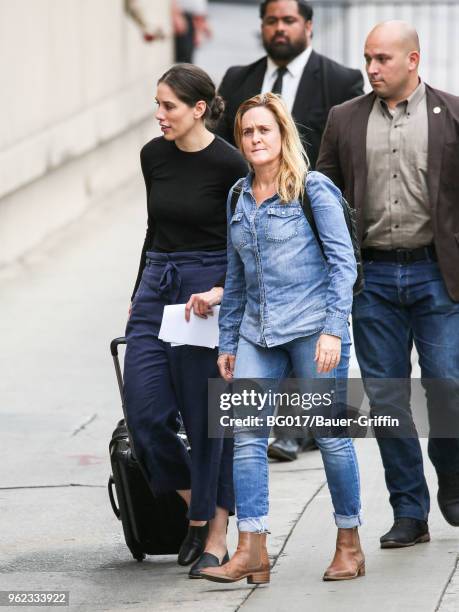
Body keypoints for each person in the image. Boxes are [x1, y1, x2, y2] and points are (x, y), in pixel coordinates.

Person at [200, 93, 364, 585]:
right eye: (247, 132)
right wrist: (228, 342)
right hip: (256, 331)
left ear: (282, 135)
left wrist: (335, 329)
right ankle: (252, 550)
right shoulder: (238, 196)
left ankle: (349, 543)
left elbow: (343, 265)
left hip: (314, 329)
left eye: (263, 131)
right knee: (247, 437)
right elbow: (236, 275)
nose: (254, 139)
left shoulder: (313, 190)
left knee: (332, 437)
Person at [317, 20, 459, 548]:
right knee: (388, 398)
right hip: (371, 278)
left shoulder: (453, 114)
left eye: (382, 59)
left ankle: (453, 474)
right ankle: (408, 512)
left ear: (413, 61)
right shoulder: (344, 119)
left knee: (447, 386)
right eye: (367, 59)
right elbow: (324, 198)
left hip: (437, 276)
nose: (372, 69)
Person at [215, 0, 365, 462]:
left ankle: (301, 433)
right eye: (271, 21)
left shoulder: (340, 81)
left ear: (308, 25)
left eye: (288, 20)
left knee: (324, 407)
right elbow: (222, 158)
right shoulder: (238, 78)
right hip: (254, 220)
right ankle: (254, 530)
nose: (279, 29)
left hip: (307, 226)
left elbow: (342, 162)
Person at [123, 63, 248, 578]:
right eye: (157, 104)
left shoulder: (231, 166)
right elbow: (155, 227)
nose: (159, 115)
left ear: (199, 109)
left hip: (206, 290)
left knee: (204, 417)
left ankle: (216, 532)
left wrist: (222, 291)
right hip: (158, 283)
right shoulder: (152, 156)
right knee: (145, 410)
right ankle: (198, 506)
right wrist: (137, 293)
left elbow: (244, 242)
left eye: (168, 106)